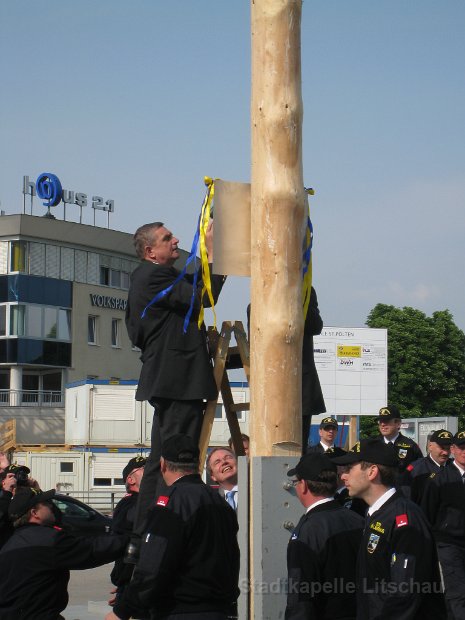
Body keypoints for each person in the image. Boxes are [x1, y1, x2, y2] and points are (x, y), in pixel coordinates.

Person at [125, 221, 226, 549]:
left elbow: (196, 297)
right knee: (177, 458)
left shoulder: (154, 276)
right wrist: (210, 254)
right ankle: (161, 533)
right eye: (167, 238)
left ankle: (146, 536)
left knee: (162, 459)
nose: (177, 240)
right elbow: (198, 297)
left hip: (173, 380)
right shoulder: (151, 275)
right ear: (149, 251)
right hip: (176, 380)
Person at [106, 434, 240, 620]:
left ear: (163, 465)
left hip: (182, 610)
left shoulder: (172, 503)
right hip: (221, 608)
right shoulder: (220, 502)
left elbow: (154, 563)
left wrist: (124, 608)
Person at [334, 439, 446, 620]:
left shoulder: (405, 518)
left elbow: (405, 592)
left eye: (349, 469)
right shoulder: (377, 513)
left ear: (372, 472)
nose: (343, 476)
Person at [0, 487, 128, 620]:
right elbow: (92, 550)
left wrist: (33, 490)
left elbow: (57, 518)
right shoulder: (48, 540)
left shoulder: (10, 543)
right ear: (34, 513)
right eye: (47, 504)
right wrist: (130, 541)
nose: (52, 506)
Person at [285, 452, 363, 619]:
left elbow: (301, 596)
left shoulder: (308, 531)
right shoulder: (358, 519)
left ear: (304, 485)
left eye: (296, 482)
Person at [421, 430, 465, 619]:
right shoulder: (440, 478)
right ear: (453, 449)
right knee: (458, 591)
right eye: (461, 448)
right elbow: (427, 513)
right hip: (449, 543)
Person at [110, 456, 147, 615]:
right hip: (135, 584)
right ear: (131, 480)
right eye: (144, 468)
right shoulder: (130, 504)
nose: (151, 471)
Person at [407, 429, 453, 503]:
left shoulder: (455, 467)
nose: (445, 452)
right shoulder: (417, 469)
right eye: (442, 448)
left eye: (448, 448)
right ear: (430, 446)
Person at [375, 405, 423, 470]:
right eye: (380, 421)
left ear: (398, 424)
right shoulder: (373, 445)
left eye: (386, 421)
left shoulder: (411, 446)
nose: (383, 424)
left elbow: (420, 468)